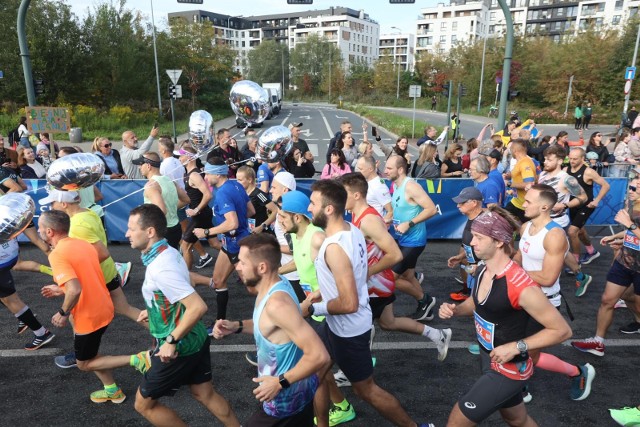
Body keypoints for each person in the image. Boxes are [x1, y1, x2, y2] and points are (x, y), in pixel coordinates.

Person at [301, 179, 433, 427]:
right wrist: (325, 292)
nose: (309, 209)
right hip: (337, 325)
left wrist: (314, 308)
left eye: (312, 203)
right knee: (314, 375)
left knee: (367, 391)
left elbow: (348, 303)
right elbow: (353, 276)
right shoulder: (352, 229)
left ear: (329, 209)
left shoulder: (334, 247)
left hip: (348, 329)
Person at [438, 207, 572, 426]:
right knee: (517, 419)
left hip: (509, 368)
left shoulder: (521, 286)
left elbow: (562, 331)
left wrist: (516, 347)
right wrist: (456, 309)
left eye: (479, 238)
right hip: (489, 357)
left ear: (498, 242)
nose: (472, 243)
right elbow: (477, 302)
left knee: (457, 420)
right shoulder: (482, 270)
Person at [125, 204, 240, 427]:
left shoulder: (161, 266)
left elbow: (197, 307)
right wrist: (151, 310)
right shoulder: (168, 251)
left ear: (150, 232)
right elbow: (182, 279)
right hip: (195, 337)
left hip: (179, 346)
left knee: (143, 404)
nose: (126, 233)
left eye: (131, 228)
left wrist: (170, 341)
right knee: (204, 393)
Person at [212, 233, 329, 426]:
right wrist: (237, 326)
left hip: (284, 403)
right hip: (294, 395)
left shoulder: (277, 304)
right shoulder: (276, 284)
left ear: (262, 267)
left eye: (242, 262)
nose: (237, 267)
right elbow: (270, 325)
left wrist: (279, 382)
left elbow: (319, 355)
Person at [342, 172, 452, 360]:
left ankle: (356, 370)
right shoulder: (358, 215)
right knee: (388, 323)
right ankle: (438, 335)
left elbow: (395, 255)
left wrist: (366, 272)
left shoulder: (368, 219)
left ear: (356, 195)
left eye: (342, 193)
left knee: (356, 327)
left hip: (375, 285)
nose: (339, 198)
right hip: (376, 282)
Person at [39, 210, 140, 403]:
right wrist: (63, 289)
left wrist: (62, 312)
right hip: (102, 307)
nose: (39, 231)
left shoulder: (57, 254)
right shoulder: (82, 244)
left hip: (88, 316)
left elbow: (75, 289)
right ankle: (112, 390)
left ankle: (138, 359)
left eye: (41, 228)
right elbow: (82, 278)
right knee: (91, 355)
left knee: (84, 363)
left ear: (50, 231)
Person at [514, 184, 595, 401]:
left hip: (543, 303)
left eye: (529, 201)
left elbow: (548, 277)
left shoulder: (555, 235)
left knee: (529, 352)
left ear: (544, 207)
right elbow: (519, 258)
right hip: (522, 296)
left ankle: (577, 372)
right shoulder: (526, 227)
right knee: (518, 347)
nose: (524, 203)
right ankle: (520, 382)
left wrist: (515, 274)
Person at [571, 177, 640, 357]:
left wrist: (630, 225)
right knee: (607, 300)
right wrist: (616, 237)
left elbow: (633, 228)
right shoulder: (633, 207)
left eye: (635, 188)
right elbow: (632, 231)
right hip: (625, 263)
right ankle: (598, 342)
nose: (630, 190)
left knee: (634, 301)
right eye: (631, 186)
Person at [193, 157, 254, 321]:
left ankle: (277, 315)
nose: (205, 178)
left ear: (218, 175)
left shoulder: (222, 194)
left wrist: (206, 232)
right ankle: (220, 323)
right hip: (232, 243)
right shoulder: (236, 185)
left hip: (236, 245)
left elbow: (232, 223)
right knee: (218, 281)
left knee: (255, 288)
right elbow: (250, 211)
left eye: (207, 174)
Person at [386, 155, 438, 321]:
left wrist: (409, 223)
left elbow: (431, 209)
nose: (385, 171)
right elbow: (403, 209)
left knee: (390, 277)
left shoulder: (411, 186)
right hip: (404, 239)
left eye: (389, 168)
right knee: (408, 276)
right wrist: (389, 219)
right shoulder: (396, 185)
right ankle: (426, 309)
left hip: (415, 241)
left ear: (400, 170)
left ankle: (426, 300)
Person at [539, 146, 593, 296]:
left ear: (560, 161)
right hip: (541, 220)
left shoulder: (567, 178)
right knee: (561, 252)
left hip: (557, 223)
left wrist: (564, 205)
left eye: (549, 159)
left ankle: (547, 288)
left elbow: (583, 197)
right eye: (545, 158)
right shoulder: (542, 174)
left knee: (550, 253)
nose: (545, 161)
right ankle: (581, 276)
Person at [0, 234, 55, 350]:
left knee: (10, 299)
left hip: (3, 257)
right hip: (7, 254)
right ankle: (24, 318)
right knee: (9, 299)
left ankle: (40, 332)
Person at [173, 146, 217, 270]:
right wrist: (172, 208)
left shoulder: (194, 175)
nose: (179, 158)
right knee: (214, 244)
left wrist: (196, 210)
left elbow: (208, 194)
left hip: (200, 216)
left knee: (185, 246)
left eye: (181, 156)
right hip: (203, 214)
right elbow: (189, 197)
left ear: (189, 157)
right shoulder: (187, 174)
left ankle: (186, 278)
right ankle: (239, 257)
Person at [566, 147, 611, 269]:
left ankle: (576, 261)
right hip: (573, 204)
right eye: (570, 158)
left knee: (572, 231)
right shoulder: (566, 169)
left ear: (582, 158)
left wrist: (596, 201)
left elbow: (606, 186)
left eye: (575, 159)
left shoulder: (588, 172)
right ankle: (592, 251)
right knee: (580, 230)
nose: (572, 161)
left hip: (587, 205)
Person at [135, 152, 189, 249]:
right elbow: (186, 199)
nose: (139, 167)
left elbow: (161, 211)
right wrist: (171, 207)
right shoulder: (169, 180)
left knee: (158, 262)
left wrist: (144, 215)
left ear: (148, 166)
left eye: (140, 164)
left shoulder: (151, 186)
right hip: (175, 228)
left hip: (162, 232)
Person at [448, 187, 484, 303]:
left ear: (474, 203)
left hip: (483, 275)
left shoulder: (484, 223)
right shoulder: (472, 218)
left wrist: (480, 266)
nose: (458, 206)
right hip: (476, 272)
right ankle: (468, 292)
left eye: (462, 203)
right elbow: (469, 246)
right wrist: (460, 257)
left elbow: (499, 252)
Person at [504, 139, 537, 223]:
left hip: (524, 205)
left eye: (510, 149)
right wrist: (509, 175)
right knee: (503, 220)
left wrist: (509, 184)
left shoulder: (525, 163)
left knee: (523, 229)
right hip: (516, 202)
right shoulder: (520, 162)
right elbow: (519, 175)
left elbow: (529, 184)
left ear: (514, 151)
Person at [356, 155, 393, 224]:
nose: (358, 171)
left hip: (373, 229)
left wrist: (379, 226)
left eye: (361, 169)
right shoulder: (366, 181)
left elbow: (390, 211)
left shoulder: (379, 186)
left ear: (370, 169)